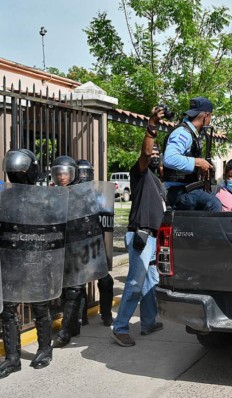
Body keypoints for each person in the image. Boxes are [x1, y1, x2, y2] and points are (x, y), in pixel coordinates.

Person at [111, 107, 167, 347]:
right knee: (135, 282)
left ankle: (148, 322)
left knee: (151, 280)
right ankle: (120, 327)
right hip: (141, 235)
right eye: (152, 151)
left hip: (154, 238)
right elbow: (144, 154)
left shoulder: (159, 183)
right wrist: (152, 127)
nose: (154, 154)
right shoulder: (140, 175)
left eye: (158, 152)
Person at [0, 149, 53, 378]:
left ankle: (45, 349)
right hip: (11, 257)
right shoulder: (4, 196)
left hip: (36, 257)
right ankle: (13, 357)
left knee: (40, 306)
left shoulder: (43, 198)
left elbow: (53, 229)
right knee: (8, 308)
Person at [51, 155, 87, 348]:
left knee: (74, 289)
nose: (62, 177)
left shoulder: (80, 193)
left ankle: (65, 332)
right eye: (58, 173)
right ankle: (75, 325)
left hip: (77, 247)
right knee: (66, 290)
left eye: (65, 173)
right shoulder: (52, 194)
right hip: (59, 248)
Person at [74, 160, 115, 328]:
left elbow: (106, 219)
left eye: (86, 173)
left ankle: (106, 314)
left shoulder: (99, 194)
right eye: (81, 173)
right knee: (79, 282)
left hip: (96, 245)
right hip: (77, 245)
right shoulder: (71, 194)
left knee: (106, 281)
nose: (84, 176)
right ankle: (80, 317)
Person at [162, 97, 221, 211]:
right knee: (214, 203)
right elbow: (169, 158)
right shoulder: (183, 133)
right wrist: (197, 162)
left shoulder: (191, 133)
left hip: (184, 190)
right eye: (211, 116)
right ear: (206, 115)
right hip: (177, 192)